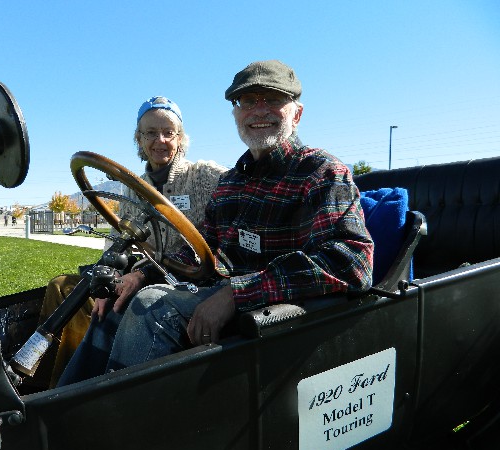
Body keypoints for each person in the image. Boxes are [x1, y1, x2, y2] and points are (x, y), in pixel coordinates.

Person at [57, 60, 374, 386]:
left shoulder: (321, 172)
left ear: (297, 113)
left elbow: (352, 263)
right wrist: (140, 274)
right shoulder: (232, 183)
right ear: (236, 113)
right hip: (222, 295)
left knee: (150, 306)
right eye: (248, 101)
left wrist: (237, 294)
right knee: (116, 304)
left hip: (278, 317)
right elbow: (202, 250)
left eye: (273, 99)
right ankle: (55, 412)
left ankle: (119, 424)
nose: (258, 110)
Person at [35, 96, 227, 387]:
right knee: (62, 288)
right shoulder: (134, 190)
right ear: (139, 138)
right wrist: (106, 280)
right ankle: (47, 383)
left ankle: (75, 392)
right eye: (150, 133)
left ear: (181, 138)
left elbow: (237, 193)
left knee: (115, 309)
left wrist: (138, 276)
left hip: (187, 282)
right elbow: (116, 241)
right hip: (141, 274)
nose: (159, 140)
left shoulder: (204, 177)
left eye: (168, 132)